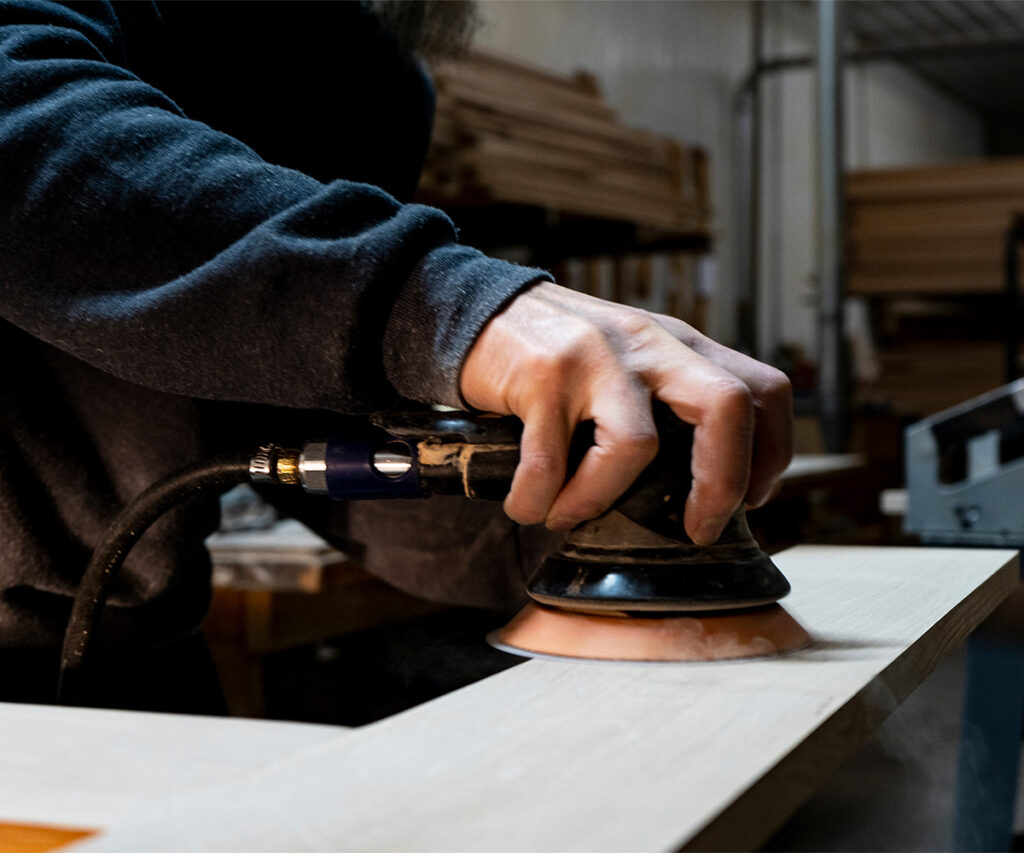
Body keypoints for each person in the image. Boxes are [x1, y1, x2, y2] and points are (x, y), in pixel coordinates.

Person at [0, 1, 791, 712]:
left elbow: (279, 406)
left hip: (142, 654)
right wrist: (446, 305)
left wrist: (583, 508)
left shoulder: (375, 82)